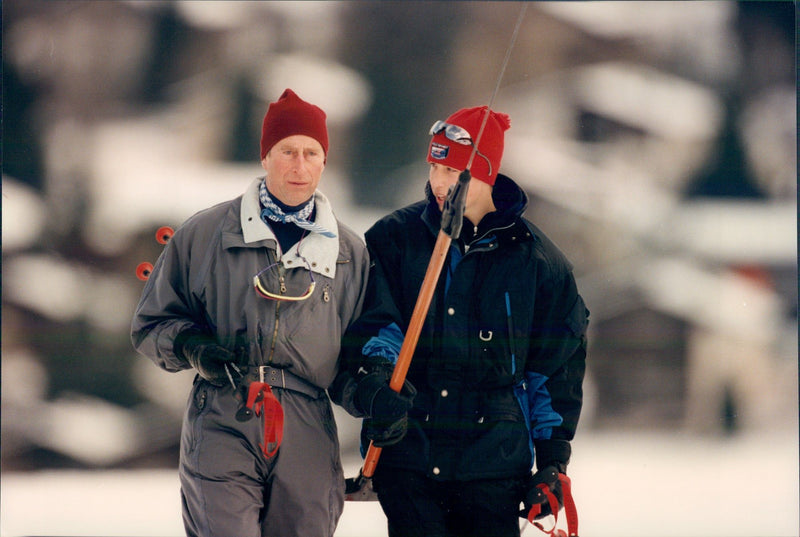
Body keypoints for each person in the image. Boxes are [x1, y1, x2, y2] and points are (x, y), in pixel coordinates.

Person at [131, 88, 373, 537]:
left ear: (324, 160)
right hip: (224, 410)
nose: (299, 165)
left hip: (307, 423)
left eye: (311, 152)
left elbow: (357, 356)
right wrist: (193, 347)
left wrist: (370, 393)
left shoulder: (349, 253)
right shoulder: (203, 233)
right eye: (287, 151)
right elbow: (151, 324)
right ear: (265, 156)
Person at [340, 105, 590, 537]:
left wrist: (552, 461)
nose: (438, 183)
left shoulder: (538, 261)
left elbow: (554, 367)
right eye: (434, 166)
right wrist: (376, 383)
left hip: (493, 463)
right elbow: (375, 326)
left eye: (453, 171)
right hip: (408, 451)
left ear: (487, 172)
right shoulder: (393, 240)